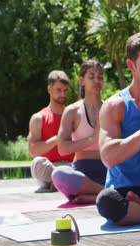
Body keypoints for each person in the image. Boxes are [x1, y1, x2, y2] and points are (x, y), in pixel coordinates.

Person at [96, 32, 140, 225]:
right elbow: (108, 157)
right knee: (106, 202)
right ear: (131, 65)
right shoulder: (115, 105)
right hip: (126, 192)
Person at [52, 60, 107, 204]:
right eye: (91, 76)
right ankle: (104, 192)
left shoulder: (111, 107)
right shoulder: (72, 111)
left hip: (108, 170)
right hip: (82, 175)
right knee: (59, 174)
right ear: (82, 80)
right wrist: (92, 139)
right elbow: (62, 148)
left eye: (100, 77)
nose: (97, 80)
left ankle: (98, 195)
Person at [28, 70, 75, 192]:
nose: (63, 94)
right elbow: (33, 151)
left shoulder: (74, 116)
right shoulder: (39, 118)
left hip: (71, 167)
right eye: (59, 90)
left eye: (65, 90)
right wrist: (57, 139)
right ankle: (61, 179)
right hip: (50, 169)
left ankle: (62, 180)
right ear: (49, 90)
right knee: (37, 163)